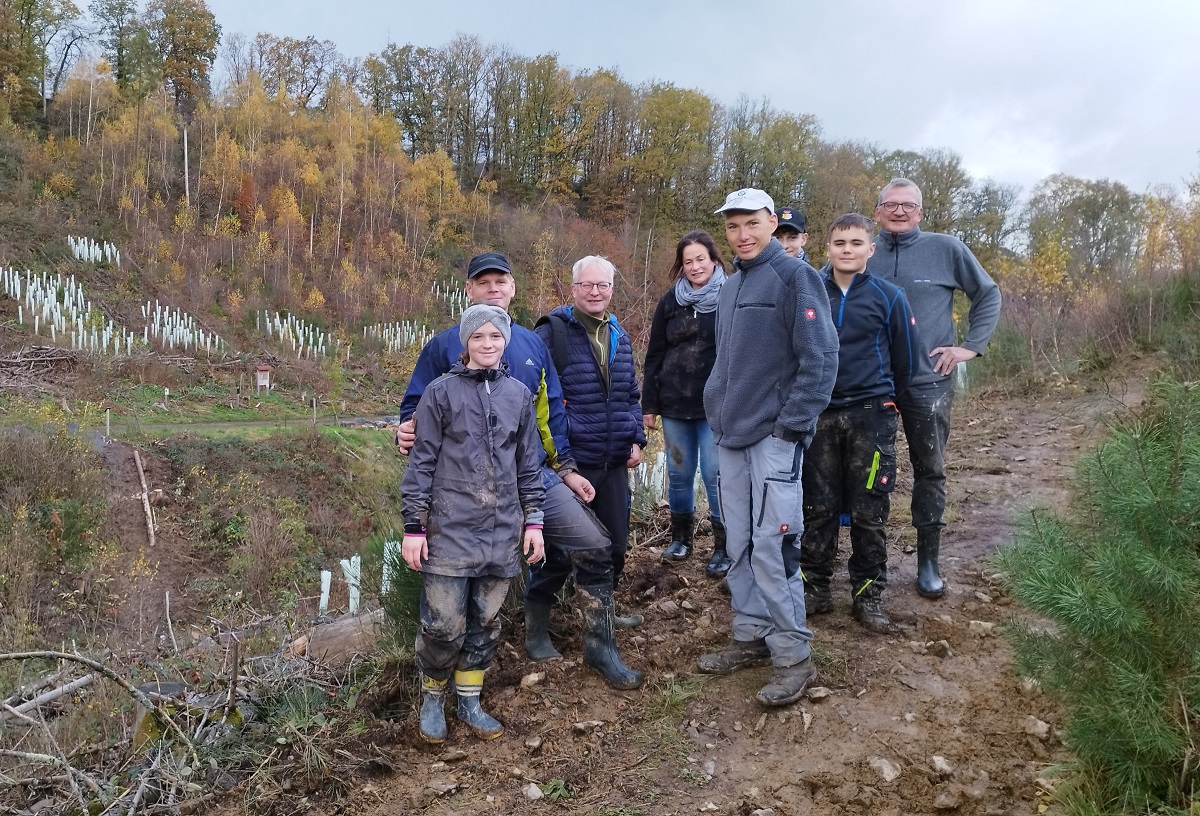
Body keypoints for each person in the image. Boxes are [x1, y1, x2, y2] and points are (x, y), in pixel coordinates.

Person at [396, 252, 642, 691]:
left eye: (501, 281)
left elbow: (549, 417)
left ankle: (599, 645)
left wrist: (564, 469)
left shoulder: (532, 344)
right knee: (452, 599)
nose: (493, 288)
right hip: (460, 489)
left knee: (595, 544)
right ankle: (445, 680)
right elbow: (416, 409)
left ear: (513, 288)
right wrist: (404, 432)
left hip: (531, 478)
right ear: (468, 290)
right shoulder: (442, 345)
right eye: (483, 282)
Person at [698, 188, 839, 707]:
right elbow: (727, 360)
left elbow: (821, 359)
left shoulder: (796, 277)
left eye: (752, 224)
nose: (743, 235)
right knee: (738, 541)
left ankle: (792, 655)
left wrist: (790, 428)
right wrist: (715, 404)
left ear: (770, 222)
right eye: (733, 227)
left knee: (773, 546)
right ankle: (751, 635)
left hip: (774, 440)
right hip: (731, 436)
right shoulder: (731, 286)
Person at [401, 304, 546, 744]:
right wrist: (414, 526)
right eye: (479, 337)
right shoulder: (440, 394)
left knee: (485, 622)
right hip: (449, 531)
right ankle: (432, 697)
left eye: (496, 337)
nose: (488, 344)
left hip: (502, 532)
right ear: (465, 343)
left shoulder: (519, 395)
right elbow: (421, 462)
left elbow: (529, 465)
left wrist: (534, 521)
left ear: (505, 342)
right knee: (444, 624)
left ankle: (469, 700)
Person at [866, 178, 1001, 599]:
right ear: (878, 212)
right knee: (870, 472)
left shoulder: (947, 249)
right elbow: (823, 292)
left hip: (929, 382)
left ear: (920, 212)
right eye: (891, 204)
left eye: (908, 205)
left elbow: (988, 293)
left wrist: (971, 348)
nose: (900, 211)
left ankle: (928, 562)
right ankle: (869, 563)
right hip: (873, 385)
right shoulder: (862, 251)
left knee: (930, 469)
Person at [800, 214, 918, 634]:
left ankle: (868, 595)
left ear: (871, 248)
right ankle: (814, 588)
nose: (846, 249)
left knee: (870, 509)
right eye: (839, 242)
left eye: (855, 242)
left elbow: (906, 361)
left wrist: (883, 399)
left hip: (871, 414)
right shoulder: (810, 291)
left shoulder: (890, 296)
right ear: (827, 248)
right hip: (820, 414)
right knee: (817, 506)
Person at [535, 256, 646, 619]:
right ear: (574, 288)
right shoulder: (552, 333)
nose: (595, 292)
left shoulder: (620, 336)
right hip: (572, 462)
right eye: (588, 285)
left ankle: (602, 618)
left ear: (612, 290)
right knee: (558, 552)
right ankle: (540, 623)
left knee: (614, 546)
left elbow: (631, 394)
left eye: (603, 285)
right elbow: (537, 400)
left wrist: (637, 438)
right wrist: (558, 460)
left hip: (613, 461)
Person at [642, 230, 731, 578]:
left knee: (715, 476)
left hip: (715, 407)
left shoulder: (730, 296)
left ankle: (724, 547)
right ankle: (682, 539)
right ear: (680, 265)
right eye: (687, 261)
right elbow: (654, 356)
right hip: (675, 404)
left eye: (701, 259)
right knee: (679, 476)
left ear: (714, 260)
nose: (695, 267)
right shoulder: (670, 302)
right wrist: (648, 404)